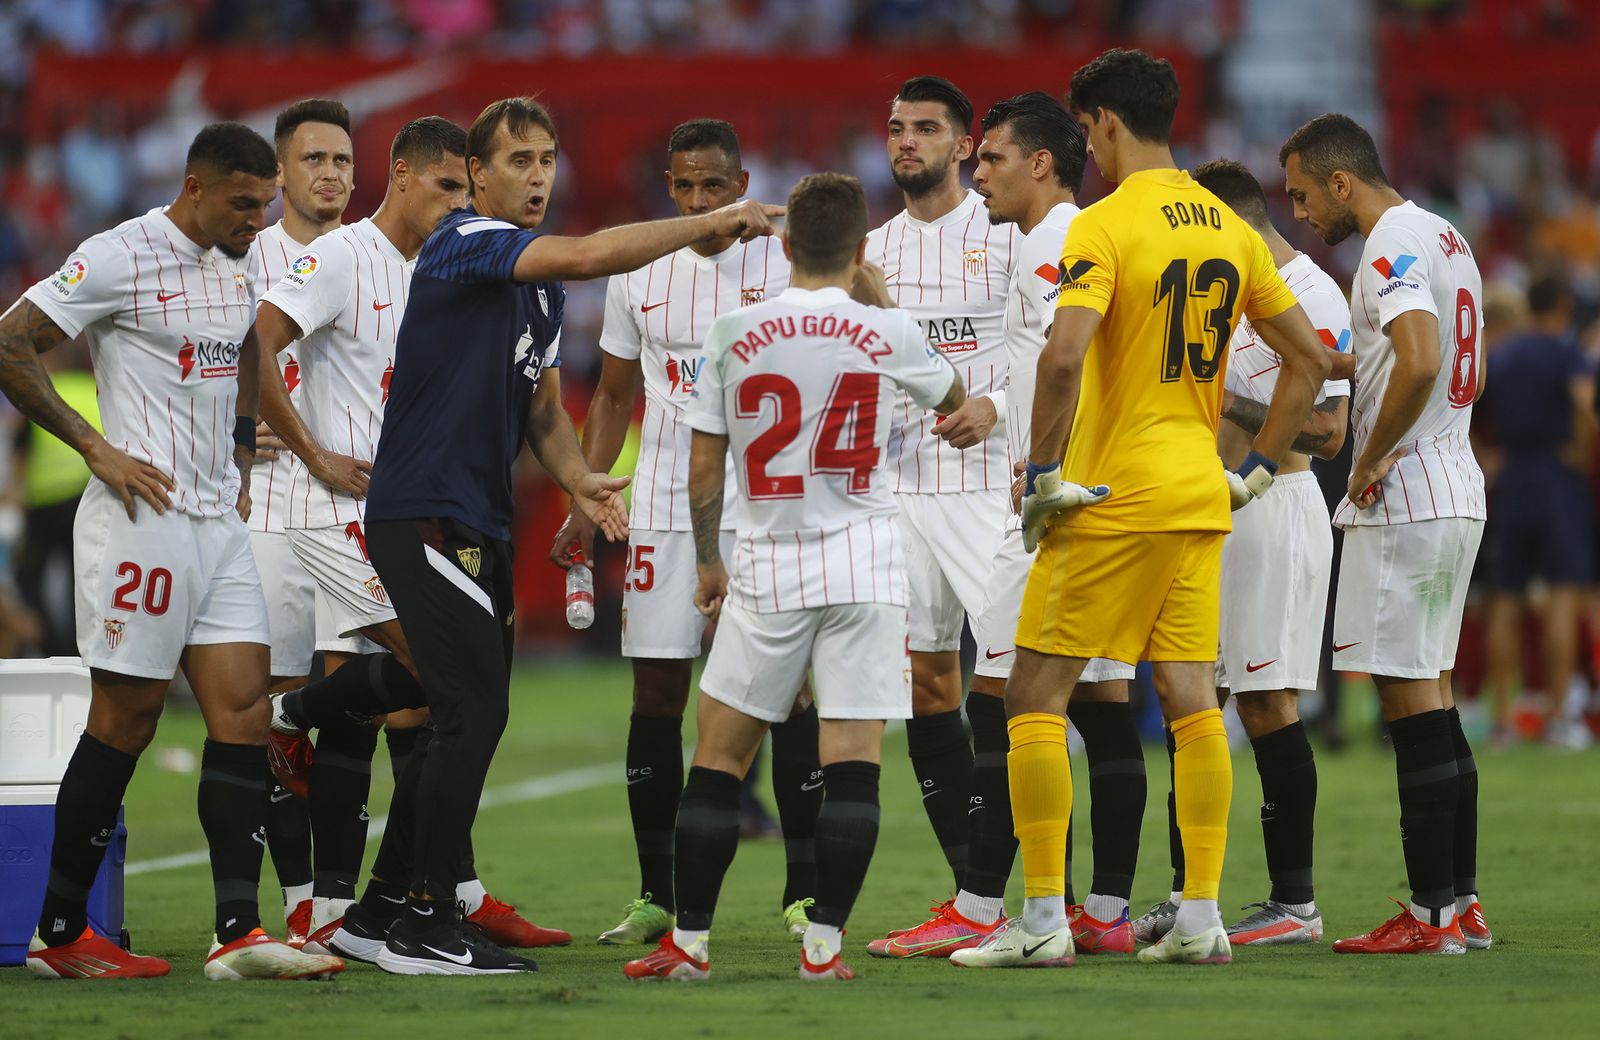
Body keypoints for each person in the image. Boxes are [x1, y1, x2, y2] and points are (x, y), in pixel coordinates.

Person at [356, 96, 781, 975]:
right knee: (471, 710)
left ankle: (380, 910)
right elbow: (590, 254)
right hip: (425, 507)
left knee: (463, 708)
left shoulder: (537, 285)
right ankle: (424, 919)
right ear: (477, 175)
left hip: (476, 514)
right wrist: (712, 221)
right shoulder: (466, 240)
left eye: (547, 159)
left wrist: (581, 480)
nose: (538, 175)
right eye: (519, 160)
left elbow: (544, 409)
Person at [951, 49, 1331, 970]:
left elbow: (1063, 357)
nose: (1088, 143)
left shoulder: (1104, 224)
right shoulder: (1232, 228)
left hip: (1113, 491)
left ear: (1108, 123)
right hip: (1201, 492)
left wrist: (1047, 473)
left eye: (1087, 128)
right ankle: (1199, 917)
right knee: (1194, 703)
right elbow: (1312, 362)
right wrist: (1260, 472)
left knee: (1033, 694)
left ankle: (1042, 920)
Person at [6, 122, 344, 981]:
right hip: (139, 521)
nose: (256, 220)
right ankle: (59, 934)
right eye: (243, 204)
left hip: (218, 524)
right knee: (128, 719)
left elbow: (246, 349)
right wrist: (94, 446)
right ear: (194, 187)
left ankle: (237, 934)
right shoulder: (119, 255)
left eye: (264, 204)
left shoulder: (240, 261)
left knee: (244, 714)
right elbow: (9, 340)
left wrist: (241, 443)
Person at [622, 171, 965, 983]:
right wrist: (880, 297)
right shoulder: (886, 330)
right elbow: (954, 396)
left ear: (783, 245)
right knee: (853, 763)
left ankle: (690, 944)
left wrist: (709, 560)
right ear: (860, 246)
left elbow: (704, 462)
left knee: (718, 759)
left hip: (768, 564)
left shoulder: (735, 331)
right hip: (865, 566)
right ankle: (822, 948)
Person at [875, 91, 1143, 962]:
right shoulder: (887, 249)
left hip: (1019, 490)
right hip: (931, 486)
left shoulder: (1040, 239)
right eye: (896, 127)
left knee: (1031, 697)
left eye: (986, 155)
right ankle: (1066, 907)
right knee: (1022, 694)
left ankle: (1017, 908)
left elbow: (1065, 359)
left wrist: (1031, 445)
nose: (981, 171)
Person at [548, 119, 822, 947]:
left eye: (714, 185)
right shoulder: (641, 268)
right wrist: (581, 494)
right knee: (657, 694)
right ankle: (654, 895)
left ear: (742, 185)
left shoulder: (787, 262)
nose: (700, 201)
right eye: (686, 186)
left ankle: (805, 893)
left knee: (791, 696)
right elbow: (612, 397)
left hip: (770, 508)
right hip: (666, 508)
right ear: (668, 186)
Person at [1282, 112, 1491, 955]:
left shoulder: (1389, 243)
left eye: (1303, 195)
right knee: (1434, 695)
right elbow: (1449, 360)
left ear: (1342, 181)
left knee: (1406, 701)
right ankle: (1461, 903)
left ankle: (1431, 917)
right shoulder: (1447, 236)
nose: (1301, 214)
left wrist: (1368, 458)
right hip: (1455, 480)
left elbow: (1420, 356)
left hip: (1407, 494)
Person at [1135, 158, 1353, 949]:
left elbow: (1327, 432)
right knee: (1191, 702)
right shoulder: (1216, 291)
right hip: (1203, 512)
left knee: (1266, 705)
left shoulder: (1311, 294)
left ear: (1230, 223)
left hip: (1272, 510)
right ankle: (1187, 897)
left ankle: (1295, 903)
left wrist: (1222, 400)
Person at [861, 74, 1017, 945]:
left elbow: (1046, 351)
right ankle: (969, 899)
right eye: (896, 127)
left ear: (963, 146)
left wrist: (997, 407)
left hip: (989, 486)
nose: (906, 140)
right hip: (899, 490)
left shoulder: (1004, 235)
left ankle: (1052, 893)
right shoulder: (870, 253)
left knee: (1014, 687)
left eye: (925, 128)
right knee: (926, 684)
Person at [247, 96, 365, 949]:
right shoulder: (243, 259)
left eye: (342, 161)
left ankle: (338, 901)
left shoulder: (371, 255)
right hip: (263, 508)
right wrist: (229, 428)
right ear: (280, 172)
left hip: (354, 506)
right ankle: (297, 898)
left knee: (352, 702)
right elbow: (201, 362)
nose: (330, 174)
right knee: (277, 704)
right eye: (314, 159)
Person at [1481, 274, 1595, 749]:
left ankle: (1502, 719)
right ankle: (1559, 717)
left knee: (1505, 601)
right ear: (1564, 305)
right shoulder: (1568, 353)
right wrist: (1584, 451)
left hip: (1512, 478)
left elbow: (1473, 409)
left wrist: (1489, 456)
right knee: (1562, 599)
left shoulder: (1504, 356)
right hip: (1557, 478)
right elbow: (1585, 405)